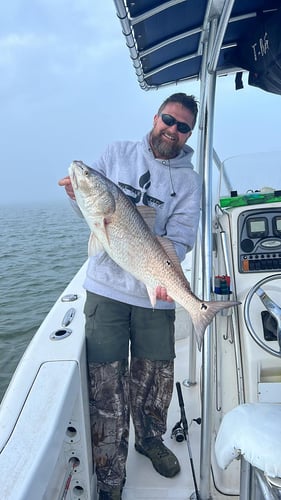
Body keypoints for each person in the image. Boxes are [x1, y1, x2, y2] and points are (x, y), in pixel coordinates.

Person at [59, 93, 201, 500]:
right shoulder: (115, 154)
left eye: (182, 127)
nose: (172, 131)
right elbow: (92, 212)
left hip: (154, 287)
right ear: (155, 117)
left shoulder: (189, 181)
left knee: (156, 376)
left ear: (188, 134)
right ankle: (108, 470)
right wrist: (77, 195)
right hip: (106, 288)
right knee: (106, 381)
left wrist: (160, 272)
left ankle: (151, 439)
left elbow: (183, 238)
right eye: (168, 120)